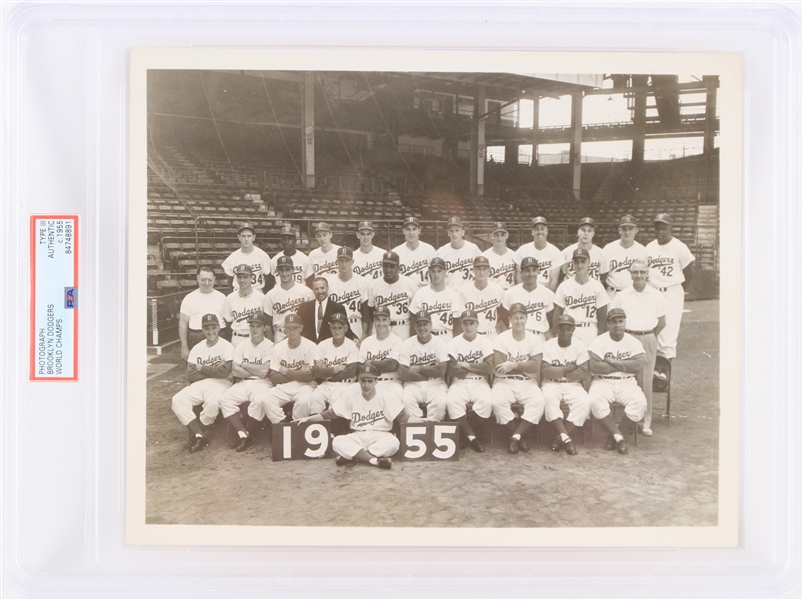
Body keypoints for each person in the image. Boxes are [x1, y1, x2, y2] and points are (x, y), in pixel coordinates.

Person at [295, 365, 421, 470]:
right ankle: (374, 460)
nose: (366, 385)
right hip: (358, 435)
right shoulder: (351, 395)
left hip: (381, 435)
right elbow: (330, 413)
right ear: (359, 381)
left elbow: (403, 417)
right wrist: (309, 419)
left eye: (370, 381)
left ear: (376, 381)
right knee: (337, 441)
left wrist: (424, 421)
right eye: (363, 380)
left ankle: (355, 455)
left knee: (393, 443)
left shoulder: (385, 396)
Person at [612, 259, 667, 436]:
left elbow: (662, 322)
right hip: (627, 337)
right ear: (630, 274)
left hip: (647, 337)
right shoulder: (622, 295)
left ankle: (645, 421)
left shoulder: (656, 294)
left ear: (647, 273)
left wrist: (648, 337)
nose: (638, 275)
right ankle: (624, 418)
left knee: (646, 381)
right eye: (635, 272)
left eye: (642, 272)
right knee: (625, 377)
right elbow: (614, 319)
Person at [588, 308, 647, 455]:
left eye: (621, 321)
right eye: (614, 322)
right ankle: (619, 437)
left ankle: (615, 435)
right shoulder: (599, 341)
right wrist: (624, 365)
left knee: (640, 403)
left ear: (625, 322)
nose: (618, 325)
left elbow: (638, 366)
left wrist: (611, 361)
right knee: (595, 401)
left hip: (627, 381)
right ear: (608, 324)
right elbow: (595, 366)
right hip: (603, 381)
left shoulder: (633, 342)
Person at [171, 314, 233, 453]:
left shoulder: (226, 346)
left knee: (211, 404)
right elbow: (190, 374)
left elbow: (224, 372)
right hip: (200, 383)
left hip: (221, 383)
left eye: (213, 327)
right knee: (177, 400)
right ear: (202, 330)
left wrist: (202, 368)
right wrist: (214, 370)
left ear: (218, 327)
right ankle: (200, 435)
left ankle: (198, 430)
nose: (210, 332)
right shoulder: (197, 348)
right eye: (207, 328)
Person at [492, 302, 545, 454]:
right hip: (504, 382)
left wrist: (514, 365)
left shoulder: (534, 339)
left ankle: (515, 437)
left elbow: (535, 366)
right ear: (510, 319)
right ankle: (520, 436)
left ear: (526, 319)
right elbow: (499, 367)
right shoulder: (501, 338)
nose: (519, 321)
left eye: (522, 317)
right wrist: (524, 367)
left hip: (527, 382)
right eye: (515, 318)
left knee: (538, 402)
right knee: (497, 402)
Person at [217, 313, 274, 452]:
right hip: (243, 382)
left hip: (263, 383)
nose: (255, 329)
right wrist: (256, 369)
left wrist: (245, 364)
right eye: (252, 326)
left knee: (260, 400)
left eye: (258, 326)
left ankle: (245, 435)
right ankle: (244, 435)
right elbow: (235, 371)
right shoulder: (242, 345)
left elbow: (264, 372)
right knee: (224, 399)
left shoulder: (270, 346)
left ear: (264, 328)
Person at [645, 213, 695, 360]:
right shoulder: (649, 247)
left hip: (672, 291)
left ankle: (664, 376)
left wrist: (678, 291)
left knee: (668, 335)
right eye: (657, 228)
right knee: (652, 330)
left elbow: (689, 273)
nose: (660, 232)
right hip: (653, 292)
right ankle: (653, 372)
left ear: (670, 228)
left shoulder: (679, 246)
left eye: (663, 228)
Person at [541, 314, 592, 456]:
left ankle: (561, 437)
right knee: (549, 399)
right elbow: (546, 371)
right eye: (562, 329)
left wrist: (558, 371)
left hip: (573, 385)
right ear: (557, 329)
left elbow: (583, 372)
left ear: (573, 330)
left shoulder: (580, 346)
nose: (565, 332)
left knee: (585, 402)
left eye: (568, 329)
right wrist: (568, 369)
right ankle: (567, 439)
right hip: (551, 383)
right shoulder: (547, 345)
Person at [445, 310, 495, 452]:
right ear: (461, 324)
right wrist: (477, 367)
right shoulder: (454, 342)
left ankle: (467, 435)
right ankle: (472, 437)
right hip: (459, 382)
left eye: (471, 323)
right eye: (465, 323)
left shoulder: (485, 341)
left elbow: (487, 368)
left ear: (477, 324)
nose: (468, 327)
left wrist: (465, 364)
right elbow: (451, 369)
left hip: (479, 382)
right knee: (451, 401)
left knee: (486, 403)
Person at [265, 313, 318, 421]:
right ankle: (282, 424)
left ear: (301, 328)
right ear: (284, 330)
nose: (292, 331)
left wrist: (287, 372)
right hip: (284, 387)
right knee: (266, 399)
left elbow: (309, 377)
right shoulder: (278, 347)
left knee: (305, 401)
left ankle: (296, 426)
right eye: (289, 328)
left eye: (295, 328)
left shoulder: (311, 346)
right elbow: (274, 377)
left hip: (305, 386)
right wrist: (299, 372)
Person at [398, 311, 449, 421]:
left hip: (436, 384)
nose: (422, 328)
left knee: (440, 402)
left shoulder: (440, 343)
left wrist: (418, 368)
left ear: (431, 325)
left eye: (425, 324)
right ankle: (421, 423)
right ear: (415, 327)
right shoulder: (407, 343)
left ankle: (432, 426)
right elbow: (402, 373)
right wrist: (430, 372)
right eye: (419, 324)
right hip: (413, 385)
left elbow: (441, 370)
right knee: (406, 401)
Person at [305, 313, 361, 414]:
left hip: (345, 384)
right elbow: (316, 372)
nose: (337, 331)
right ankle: (318, 425)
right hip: (326, 384)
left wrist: (326, 371)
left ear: (346, 328)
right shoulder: (323, 345)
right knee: (314, 398)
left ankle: (335, 429)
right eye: (334, 328)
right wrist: (335, 369)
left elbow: (350, 372)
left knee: (336, 402)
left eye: (340, 328)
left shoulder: (351, 346)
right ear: (330, 328)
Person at [553, 249, 609, 346]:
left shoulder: (597, 286)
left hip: (591, 330)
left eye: (583, 261)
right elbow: (557, 314)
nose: (580, 265)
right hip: (569, 330)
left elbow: (602, 315)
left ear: (589, 263)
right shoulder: (564, 286)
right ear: (572, 264)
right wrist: (556, 333)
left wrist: (601, 336)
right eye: (576, 262)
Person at [500, 256, 555, 343]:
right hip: (517, 337)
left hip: (539, 336)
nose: (531, 274)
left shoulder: (548, 294)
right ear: (521, 273)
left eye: (534, 270)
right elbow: (504, 320)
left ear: (538, 272)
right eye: (527, 270)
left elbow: (551, 321)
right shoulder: (510, 293)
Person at [367, 251, 419, 340]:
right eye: (385, 266)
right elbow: (369, 313)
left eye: (392, 266)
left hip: (402, 327)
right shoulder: (373, 285)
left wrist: (413, 336)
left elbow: (414, 314)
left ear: (398, 267)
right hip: (380, 328)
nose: (388, 269)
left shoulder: (410, 285)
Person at [178, 266, 227, 360]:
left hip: (219, 336)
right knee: (196, 370)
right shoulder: (189, 298)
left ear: (214, 279)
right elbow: (182, 324)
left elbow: (228, 321)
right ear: (198, 279)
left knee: (219, 370)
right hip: (196, 337)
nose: (207, 283)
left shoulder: (222, 298)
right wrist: (184, 346)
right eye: (203, 280)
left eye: (210, 280)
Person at [409, 257, 464, 339]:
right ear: (430, 272)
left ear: (445, 272)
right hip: (426, 337)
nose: (436, 274)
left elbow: (458, 326)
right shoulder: (421, 293)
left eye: (439, 271)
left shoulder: (454, 295)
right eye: (433, 271)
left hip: (446, 336)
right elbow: (413, 321)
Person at [262, 256, 314, 343]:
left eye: (287, 269)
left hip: (301, 335)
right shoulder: (270, 295)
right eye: (281, 270)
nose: (284, 273)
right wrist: (270, 344)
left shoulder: (306, 292)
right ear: (277, 271)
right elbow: (267, 325)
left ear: (293, 270)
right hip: (280, 335)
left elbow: (311, 320)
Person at [358, 306, 404, 403]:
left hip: (391, 383)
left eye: (384, 320)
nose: (381, 323)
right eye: (378, 320)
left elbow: (392, 365)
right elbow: (359, 367)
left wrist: (369, 363)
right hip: (371, 383)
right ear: (374, 321)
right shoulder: (366, 342)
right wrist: (383, 364)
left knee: (397, 396)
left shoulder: (397, 341)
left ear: (389, 321)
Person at [325, 246, 371, 340]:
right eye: (341, 260)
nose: (344, 264)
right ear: (337, 262)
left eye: (347, 260)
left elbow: (366, 313)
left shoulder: (362, 282)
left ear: (352, 262)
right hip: (336, 327)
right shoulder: (329, 282)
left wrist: (365, 333)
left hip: (355, 324)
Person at [296, 276, 357, 344]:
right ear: (312, 290)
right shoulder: (304, 308)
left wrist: (354, 338)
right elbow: (297, 329)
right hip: (309, 349)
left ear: (327, 288)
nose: (320, 291)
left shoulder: (338, 308)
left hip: (329, 349)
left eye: (322, 288)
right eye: (316, 289)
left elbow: (346, 329)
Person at [513, 216, 566, 292]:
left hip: (545, 291)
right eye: (536, 229)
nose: (540, 232)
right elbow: (519, 279)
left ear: (547, 231)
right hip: (526, 291)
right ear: (532, 232)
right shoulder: (522, 250)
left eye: (542, 229)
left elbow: (553, 282)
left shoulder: (555, 252)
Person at [602, 214, 647, 301]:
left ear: (636, 230)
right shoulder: (608, 248)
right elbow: (603, 274)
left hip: (634, 294)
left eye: (630, 228)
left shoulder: (642, 250)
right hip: (612, 293)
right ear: (619, 230)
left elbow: (646, 276)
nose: (627, 232)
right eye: (624, 229)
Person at [458, 255, 504, 339]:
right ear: (473, 270)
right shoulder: (463, 291)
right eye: (478, 269)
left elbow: (500, 313)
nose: (481, 272)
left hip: (491, 334)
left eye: (484, 269)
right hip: (471, 335)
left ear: (489, 270)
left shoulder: (497, 289)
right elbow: (460, 317)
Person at [221, 264, 266, 348]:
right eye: (239, 277)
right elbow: (228, 323)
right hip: (237, 338)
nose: (242, 280)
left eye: (245, 277)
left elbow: (266, 323)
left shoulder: (261, 297)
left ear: (252, 277)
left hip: (255, 338)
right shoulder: (230, 298)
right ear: (236, 278)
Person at [221, 222, 272, 292]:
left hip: (257, 291)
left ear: (253, 237)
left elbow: (269, 278)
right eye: (243, 236)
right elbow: (230, 279)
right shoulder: (233, 257)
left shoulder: (262, 255)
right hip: (239, 293)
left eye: (249, 236)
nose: (246, 239)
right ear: (239, 237)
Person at [435, 216, 481, 290]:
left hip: (469, 293)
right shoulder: (440, 252)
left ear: (463, 232)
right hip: (449, 293)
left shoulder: (473, 249)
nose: (454, 234)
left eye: (457, 230)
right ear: (448, 233)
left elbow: (481, 271)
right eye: (451, 231)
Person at [561, 217, 608, 283]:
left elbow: (603, 277)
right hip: (572, 291)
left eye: (589, 231)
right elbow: (561, 276)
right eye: (583, 230)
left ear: (593, 233)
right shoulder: (566, 253)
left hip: (592, 291)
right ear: (578, 232)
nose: (586, 234)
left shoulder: (601, 253)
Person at [393, 216, 435, 288]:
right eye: (408, 229)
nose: (411, 232)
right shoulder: (396, 252)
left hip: (425, 291)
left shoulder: (429, 250)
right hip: (404, 292)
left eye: (414, 229)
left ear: (419, 231)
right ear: (404, 231)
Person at [481, 221, 517, 290]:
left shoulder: (515, 256)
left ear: (507, 235)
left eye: (502, 235)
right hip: (491, 294)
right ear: (492, 236)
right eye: (496, 235)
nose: (499, 238)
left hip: (509, 294)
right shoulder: (484, 257)